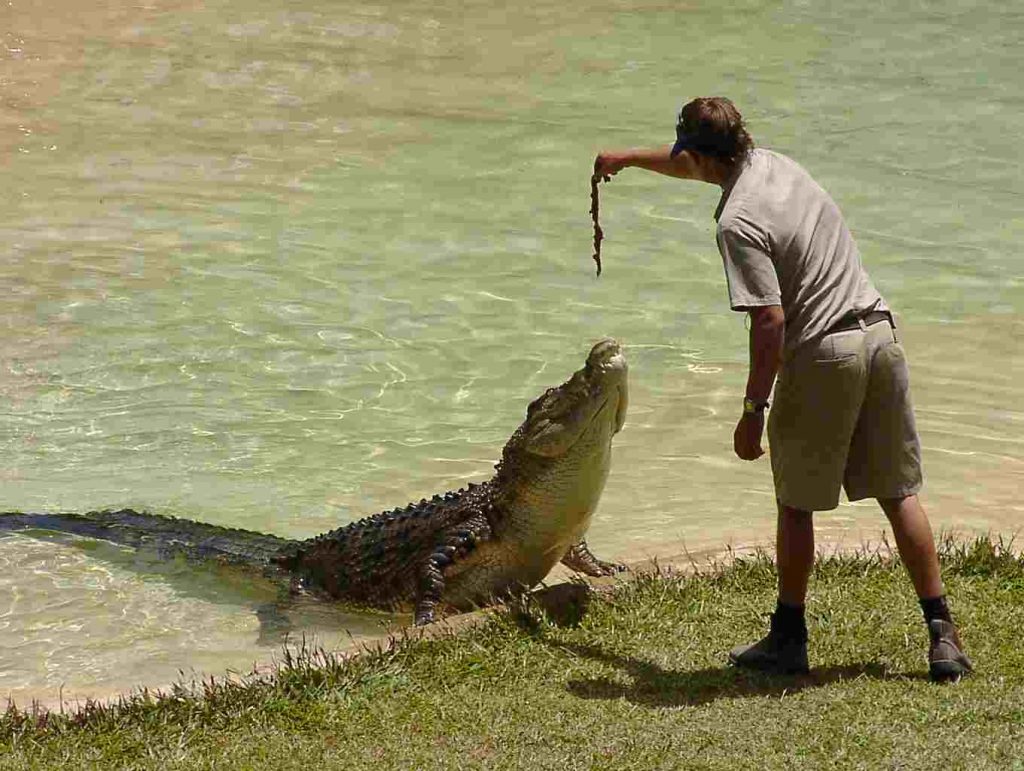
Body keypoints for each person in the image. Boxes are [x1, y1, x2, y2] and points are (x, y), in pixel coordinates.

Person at [594, 96, 972, 682]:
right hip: (880, 335)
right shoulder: (775, 164)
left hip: (825, 355)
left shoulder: (735, 224)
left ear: (696, 155)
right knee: (899, 494)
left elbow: (770, 322)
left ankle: (789, 637)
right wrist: (626, 158)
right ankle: (942, 634)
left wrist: (752, 410)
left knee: (796, 502)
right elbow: (689, 163)